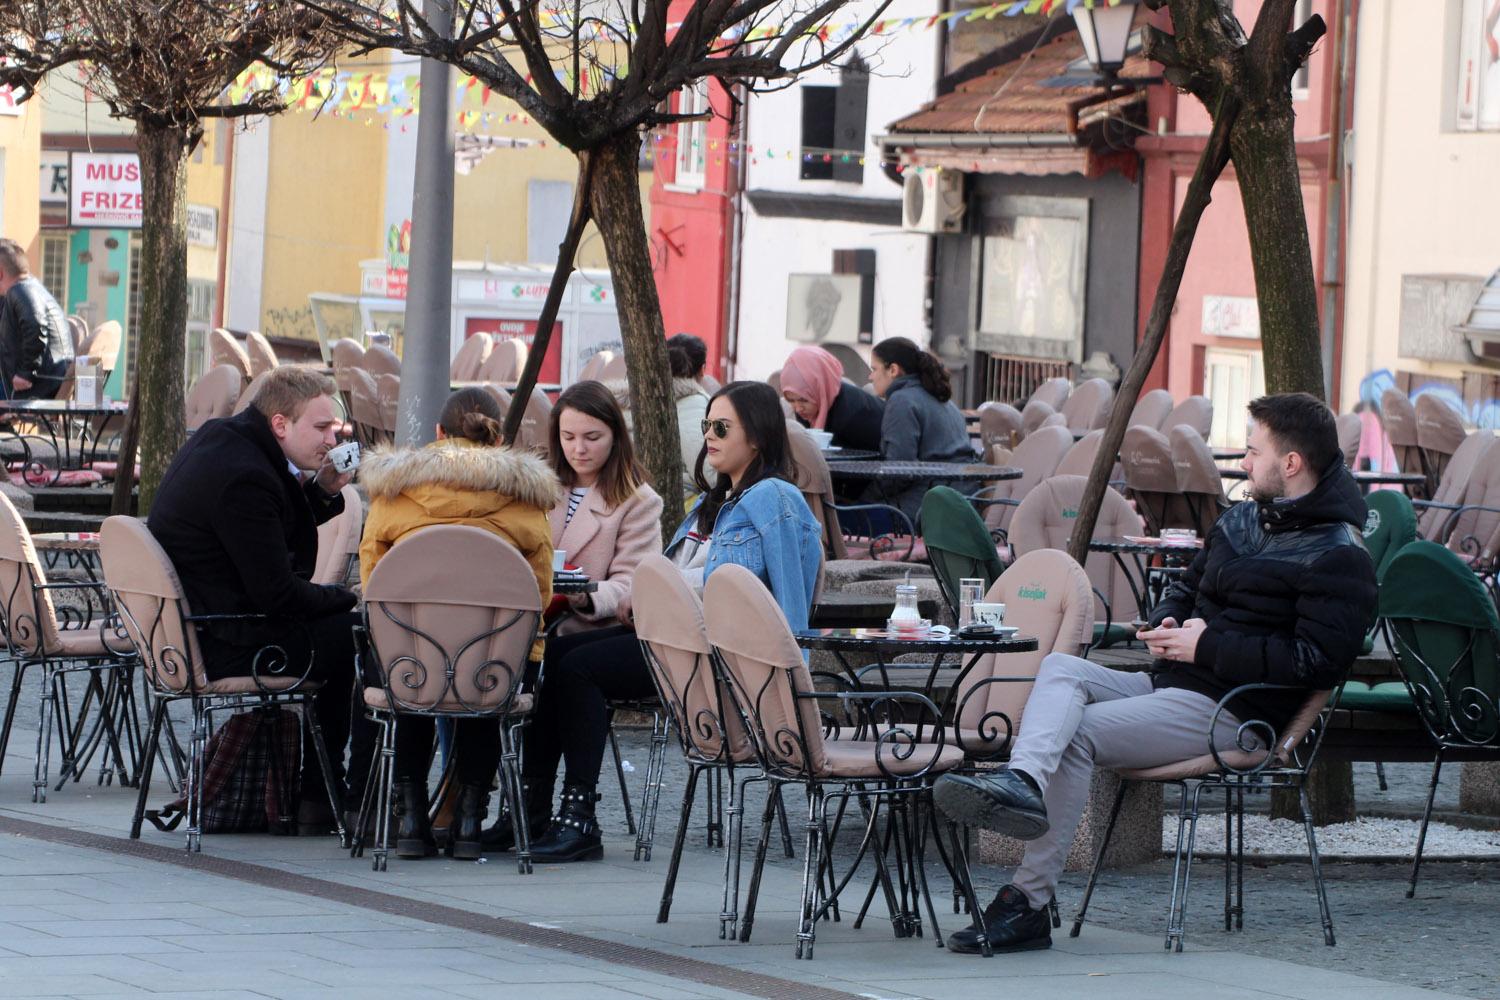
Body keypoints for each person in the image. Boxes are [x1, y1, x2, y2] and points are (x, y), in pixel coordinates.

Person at [932, 393, 1378, 955]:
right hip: (1177, 682)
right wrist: (1169, 618)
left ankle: (1028, 903)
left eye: (1252, 451)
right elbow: (1188, 586)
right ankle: (1022, 783)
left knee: (1077, 734)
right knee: (1063, 668)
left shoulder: (1341, 553)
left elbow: (1318, 663)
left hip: (1238, 710)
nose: (1242, 463)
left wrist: (1208, 644)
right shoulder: (1241, 519)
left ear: (1291, 463)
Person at [523, 380, 821, 863]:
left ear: (758, 436)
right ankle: (532, 809)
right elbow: (670, 577)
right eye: (707, 425)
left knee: (579, 668)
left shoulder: (774, 498)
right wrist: (640, 597)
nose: (709, 436)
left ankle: (579, 818)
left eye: (722, 427)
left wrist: (790, 685)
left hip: (719, 655)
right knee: (555, 655)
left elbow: (786, 600)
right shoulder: (714, 505)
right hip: (674, 638)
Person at [148, 367, 367, 835]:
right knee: (358, 639)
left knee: (344, 632)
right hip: (226, 638)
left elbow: (262, 534)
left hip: (198, 627)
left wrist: (323, 492)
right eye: (322, 428)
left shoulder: (228, 440)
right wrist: (346, 598)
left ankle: (319, 796)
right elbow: (277, 593)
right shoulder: (245, 476)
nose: (333, 440)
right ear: (281, 424)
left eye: (337, 429)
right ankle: (339, 796)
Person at [357, 387, 559, 859]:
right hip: (495, 673)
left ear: (438, 434)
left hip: (408, 669)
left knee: (405, 660)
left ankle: (409, 820)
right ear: (498, 438)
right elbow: (539, 595)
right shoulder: (528, 502)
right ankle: (469, 821)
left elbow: (374, 585)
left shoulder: (394, 494)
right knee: (490, 660)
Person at [484, 380, 664, 851]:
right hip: (545, 620)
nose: (579, 449)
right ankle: (527, 804)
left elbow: (633, 582)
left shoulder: (638, 500)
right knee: (532, 661)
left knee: (563, 663)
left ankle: (576, 812)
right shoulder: (542, 488)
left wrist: (585, 594)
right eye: (568, 437)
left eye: (592, 437)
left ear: (615, 437)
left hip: (602, 624)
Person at [867, 336, 973, 521]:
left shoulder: (902, 401)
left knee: (847, 517)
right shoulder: (942, 400)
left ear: (893, 370)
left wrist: (865, 497)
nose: (870, 376)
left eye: (874, 369)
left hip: (928, 505)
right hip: (963, 497)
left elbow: (899, 470)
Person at [603, 348, 709, 493]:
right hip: (664, 499)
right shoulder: (692, 403)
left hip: (615, 493)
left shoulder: (609, 402)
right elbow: (706, 474)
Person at [0, 239, 72, 399]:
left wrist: (26, 372)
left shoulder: (21, 291)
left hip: (38, 383)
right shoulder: (31, 289)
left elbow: (36, 326)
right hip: (50, 379)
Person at [780, 345, 884, 453]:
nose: (797, 409)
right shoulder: (811, 408)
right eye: (791, 401)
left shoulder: (853, 412)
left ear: (820, 388)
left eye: (804, 400)